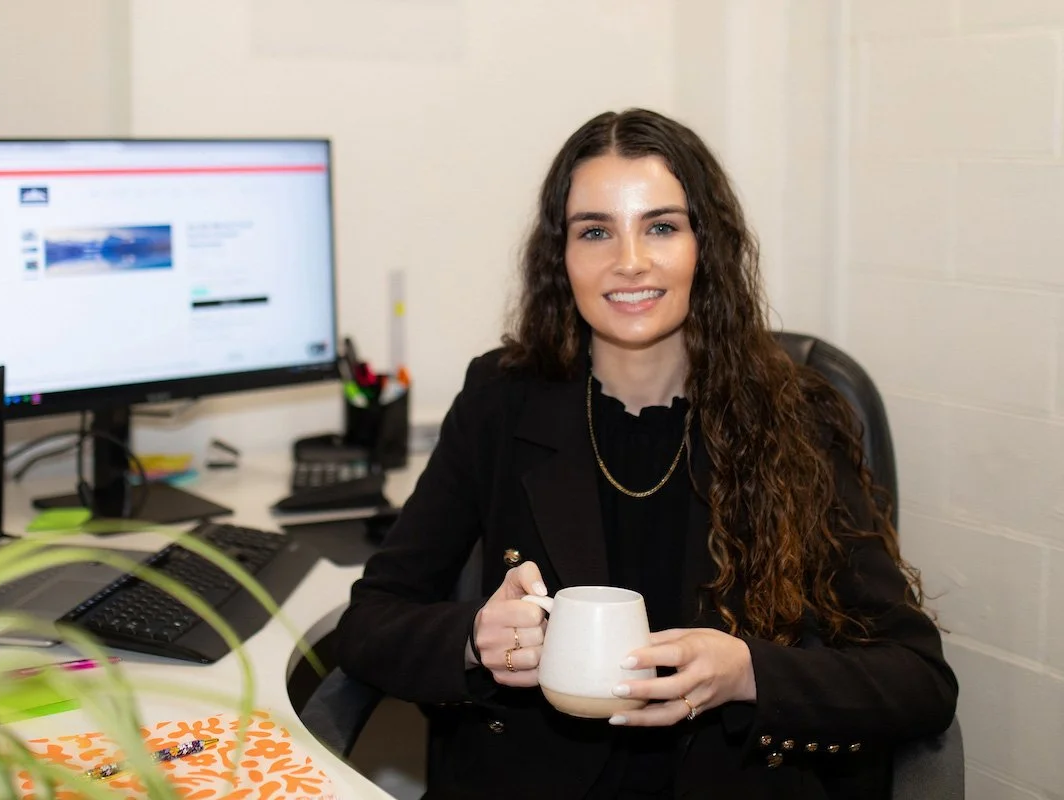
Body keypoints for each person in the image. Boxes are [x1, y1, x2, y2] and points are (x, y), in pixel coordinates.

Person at [335, 108, 957, 799]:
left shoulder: (797, 412)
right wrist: (475, 637)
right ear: (560, 257)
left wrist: (748, 673)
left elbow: (918, 679)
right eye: (595, 231)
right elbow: (371, 621)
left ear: (705, 246)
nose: (629, 260)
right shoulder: (500, 398)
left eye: (660, 226)